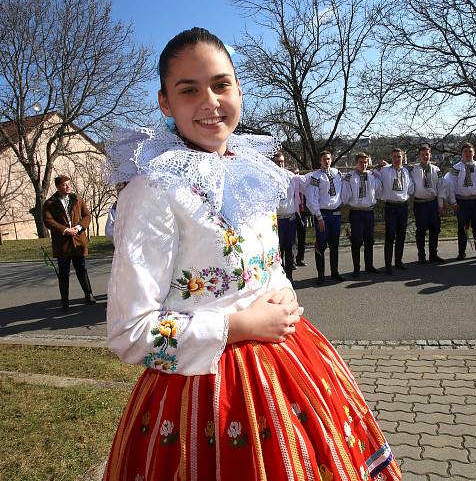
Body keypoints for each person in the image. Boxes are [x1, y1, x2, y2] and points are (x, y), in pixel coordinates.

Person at [103, 28, 400, 481]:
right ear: (165, 103)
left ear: (239, 89)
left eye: (221, 84)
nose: (210, 101)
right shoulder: (154, 189)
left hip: (292, 365)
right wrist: (237, 325)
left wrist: (284, 296)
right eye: (189, 89)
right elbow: (129, 330)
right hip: (205, 396)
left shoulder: (252, 172)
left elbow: (269, 267)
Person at [42, 175, 95, 310]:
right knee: (63, 273)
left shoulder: (77, 199)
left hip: (78, 242)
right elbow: (49, 221)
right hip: (62, 244)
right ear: (58, 187)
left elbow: (87, 216)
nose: (68, 187)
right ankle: (65, 301)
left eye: (68, 184)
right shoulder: (50, 203)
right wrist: (65, 230)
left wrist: (78, 228)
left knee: (81, 269)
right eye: (65, 185)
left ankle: (88, 295)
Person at [444, 142, 476, 260]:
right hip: (462, 202)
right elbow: (450, 185)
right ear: (461, 154)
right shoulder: (456, 168)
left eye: (470, 151)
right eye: (465, 152)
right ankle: (461, 252)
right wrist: (453, 202)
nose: (468, 154)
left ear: (474, 153)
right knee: (462, 227)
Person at [305, 151, 345, 284]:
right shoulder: (315, 177)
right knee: (321, 245)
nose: (327, 161)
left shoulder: (337, 173)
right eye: (324, 159)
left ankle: (335, 272)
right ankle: (321, 274)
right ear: (320, 161)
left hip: (336, 213)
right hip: (323, 215)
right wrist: (319, 217)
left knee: (335, 244)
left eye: (328, 159)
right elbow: (312, 198)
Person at [341, 152, 382, 277]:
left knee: (369, 240)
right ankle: (356, 269)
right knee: (356, 241)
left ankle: (369, 266)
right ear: (356, 163)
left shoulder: (372, 175)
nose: (364, 165)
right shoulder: (350, 176)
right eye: (361, 162)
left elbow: (379, 189)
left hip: (369, 212)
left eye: (366, 162)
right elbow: (345, 195)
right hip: (356, 212)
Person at [374, 148, 414, 274]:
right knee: (390, 236)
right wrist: (379, 164)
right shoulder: (385, 171)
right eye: (395, 157)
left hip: (403, 206)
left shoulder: (406, 171)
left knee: (401, 235)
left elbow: (411, 188)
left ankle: (398, 261)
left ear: (402, 158)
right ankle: (388, 265)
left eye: (399, 157)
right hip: (390, 207)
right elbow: (371, 172)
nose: (397, 159)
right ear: (391, 157)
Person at [410, 144, 448, 264]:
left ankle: (433, 254)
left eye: (427, 154)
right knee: (421, 230)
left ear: (430, 155)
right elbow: (397, 167)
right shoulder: (413, 169)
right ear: (419, 156)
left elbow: (441, 186)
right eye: (422, 154)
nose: (425, 156)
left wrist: (441, 204)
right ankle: (421, 255)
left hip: (433, 203)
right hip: (420, 204)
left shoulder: (436, 169)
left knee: (435, 229)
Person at [272, 151, 300, 280]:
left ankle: (290, 277)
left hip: (290, 218)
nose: (280, 164)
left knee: (289, 250)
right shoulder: (268, 177)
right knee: (278, 251)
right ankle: (279, 279)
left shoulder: (291, 176)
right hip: (276, 220)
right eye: (277, 162)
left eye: (282, 162)